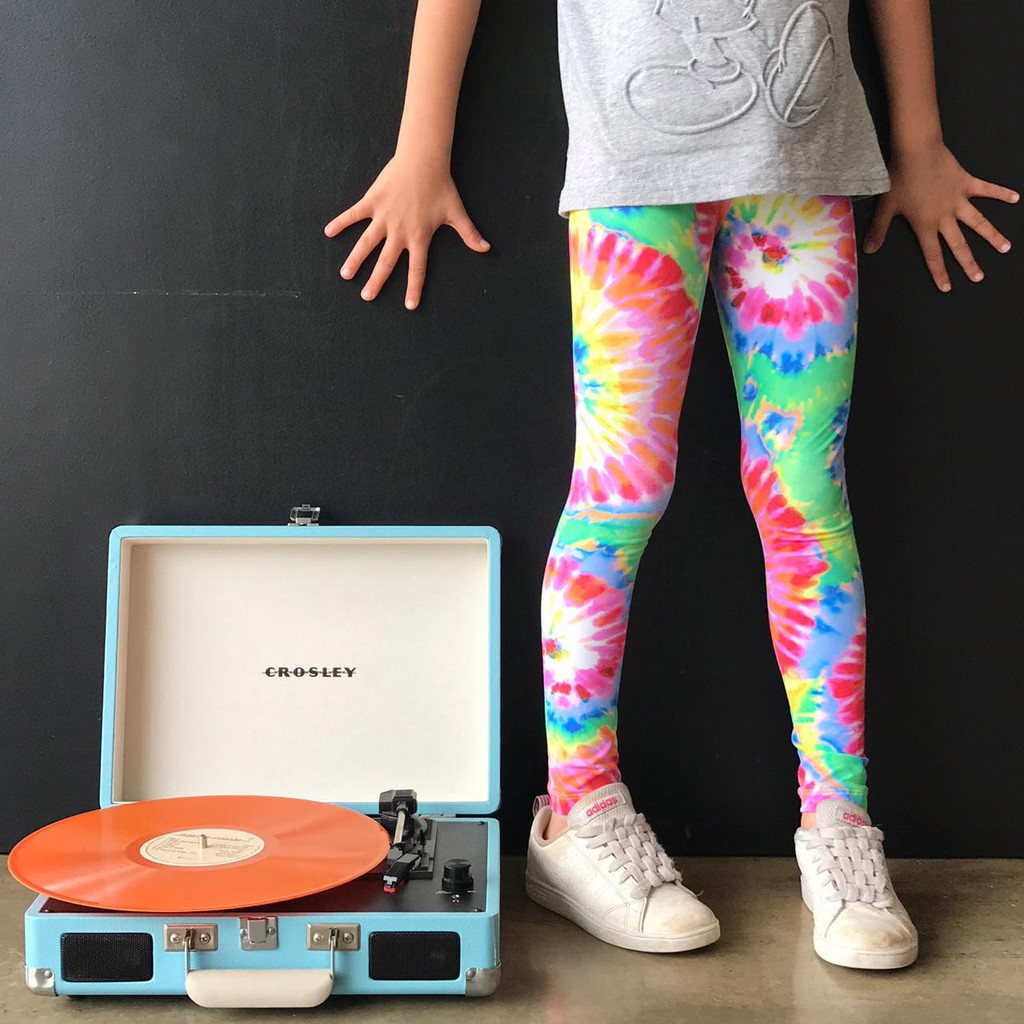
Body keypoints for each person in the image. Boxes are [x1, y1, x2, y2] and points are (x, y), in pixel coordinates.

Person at [324, 0, 1017, 970]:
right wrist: (419, 148)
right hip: (635, 171)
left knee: (807, 498)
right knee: (619, 491)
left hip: (804, 162)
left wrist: (919, 142)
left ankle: (839, 820)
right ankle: (580, 809)